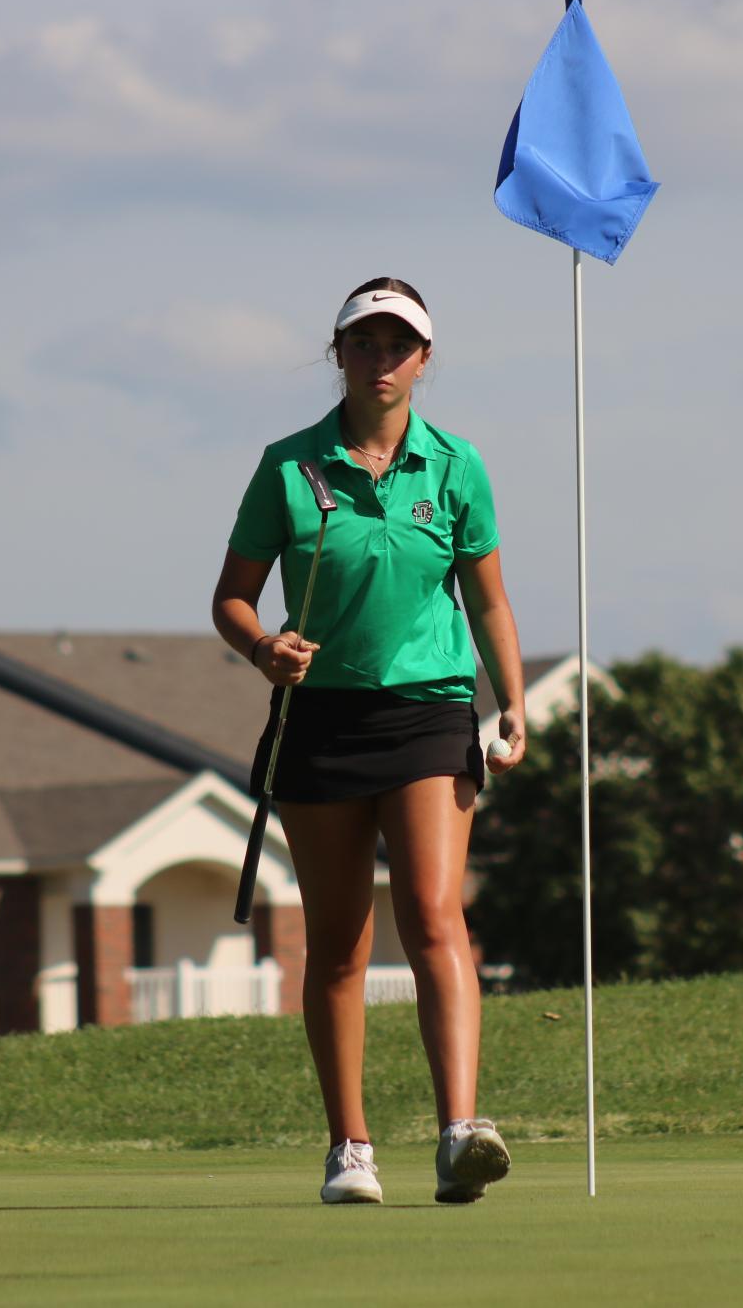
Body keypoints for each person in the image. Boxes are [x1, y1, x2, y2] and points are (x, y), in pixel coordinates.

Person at [212, 277, 527, 1205]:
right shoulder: (287, 465)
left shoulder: (456, 464)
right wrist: (264, 645)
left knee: (434, 916)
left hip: (429, 708)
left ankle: (459, 1131)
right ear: (337, 353)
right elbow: (231, 598)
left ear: (423, 360)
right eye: (365, 343)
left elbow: (488, 599)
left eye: (400, 345)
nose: (381, 359)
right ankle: (350, 1148)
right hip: (319, 718)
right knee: (339, 944)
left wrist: (513, 703)